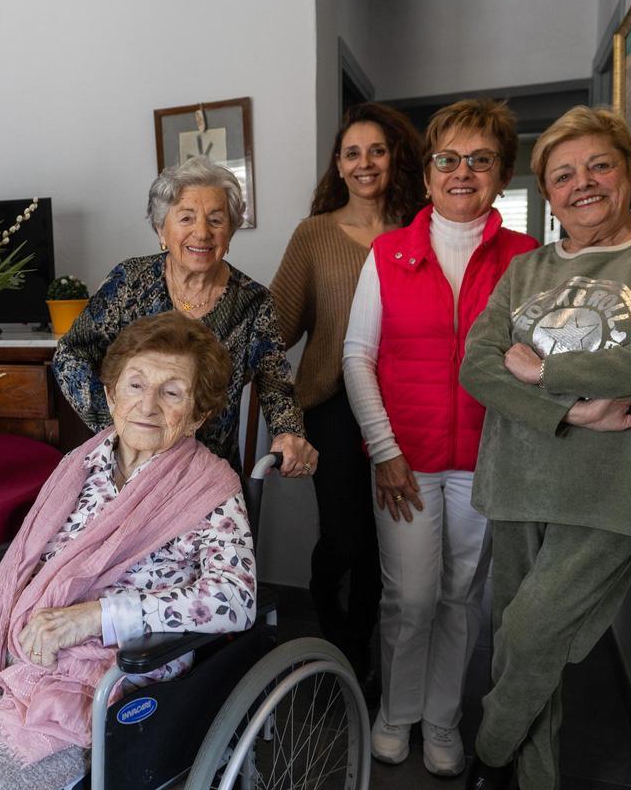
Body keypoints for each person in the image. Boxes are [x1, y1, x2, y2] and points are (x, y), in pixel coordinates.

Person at [0, 312, 257, 790]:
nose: (147, 405)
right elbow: (30, 570)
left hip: (102, 673)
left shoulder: (210, 486)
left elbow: (237, 598)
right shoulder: (79, 466)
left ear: (197, 415)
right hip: (15, 643)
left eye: (172, 392)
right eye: (135, 385)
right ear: (110, 395)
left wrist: (99, 616)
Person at [458, 105, 631, 790]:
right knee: (522, 640)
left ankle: (489, 750)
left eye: (599, 165)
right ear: (547, 194)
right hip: (519, 474)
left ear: (629, 172)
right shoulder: (525, 271)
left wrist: (549, 371)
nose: (583, 184)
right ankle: (529, 778)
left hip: (617, 484)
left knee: (529, 635)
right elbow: (479, 364)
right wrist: (573, 411)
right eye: (563, 175)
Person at [342, 98, 539, 777]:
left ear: (502, 174)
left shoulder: (526, 258)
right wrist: (385, 451)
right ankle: (395, 714)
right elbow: (356, 356)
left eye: (480, 160)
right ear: (426, 176)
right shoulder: (389, 254)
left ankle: (442, 719)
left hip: (488, 459)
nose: (463, 172)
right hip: (409, 461)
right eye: (448, 159)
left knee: (462, 598)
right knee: (411, 597)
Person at [270, 103, 425, 686]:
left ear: (395, 159)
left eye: (377, 151)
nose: (365, 164)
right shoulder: (314, 234)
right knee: (346, 535)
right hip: (333, 406)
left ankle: (363, 658)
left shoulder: (422, 230)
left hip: (407, 402)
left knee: (391, 538)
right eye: (352, 153)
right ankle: (334, 630)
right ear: (337, 165)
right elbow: (277, 328)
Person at [53, 156, 317, 477]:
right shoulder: (130, 281)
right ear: (161, 229)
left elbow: (276, 386)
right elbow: (70, 354)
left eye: (216, 220)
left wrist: (288, 433)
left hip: (207, 473)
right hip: (128, 466)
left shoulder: (253, 301)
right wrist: (120, 426)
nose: (202, 232)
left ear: (231, 232)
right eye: (186, 218)